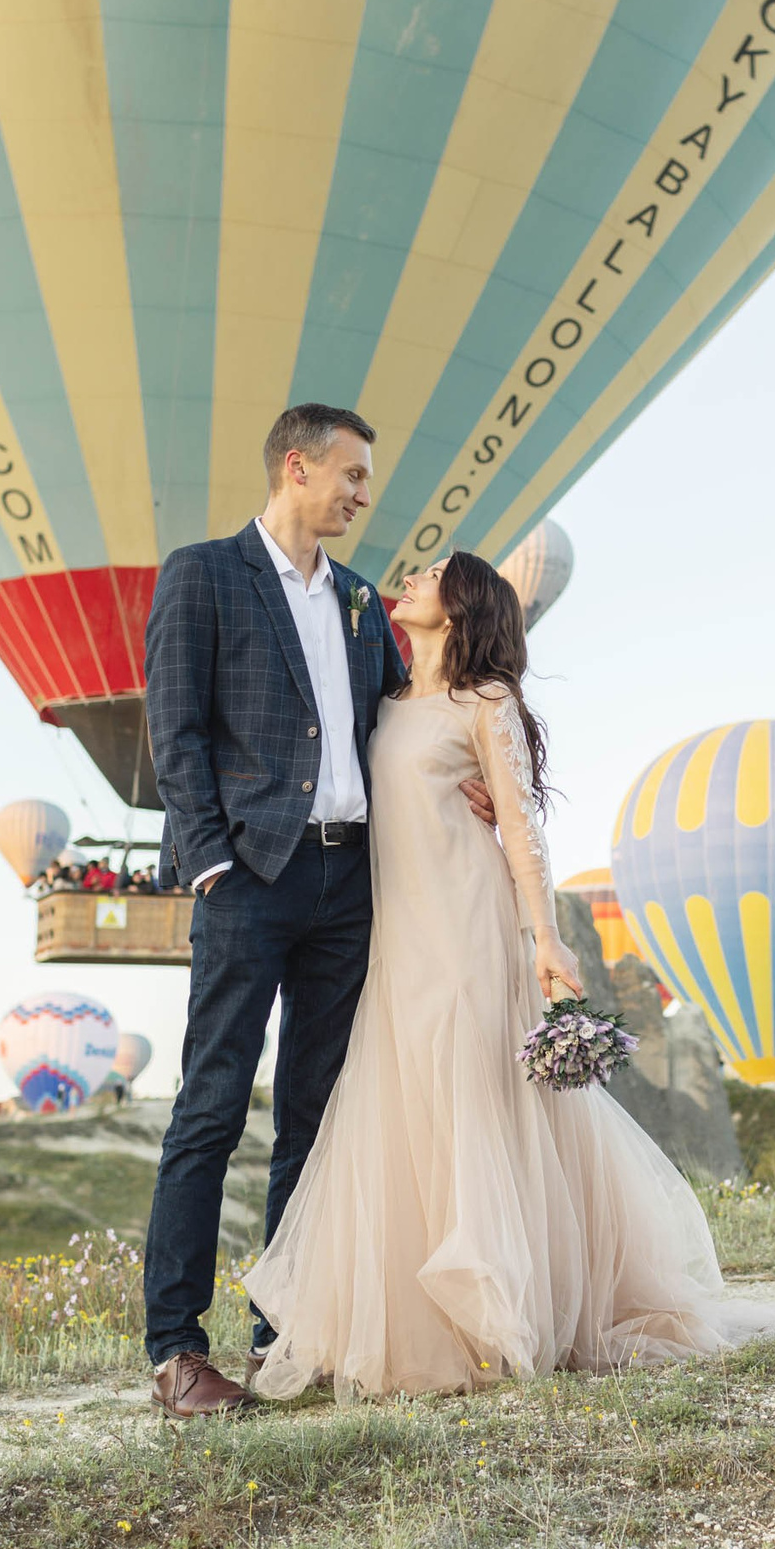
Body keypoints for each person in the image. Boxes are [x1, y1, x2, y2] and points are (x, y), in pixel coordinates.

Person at [239, 553, 775, 1405]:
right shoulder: (385, 702)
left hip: (465, 929)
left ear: (460, 610)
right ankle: (423, 1316)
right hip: (398, 941)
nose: (410, 577)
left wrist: (547, 942)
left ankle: (495, 1315)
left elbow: (521, 833)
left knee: (472, 1107)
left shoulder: (485, 703)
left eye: (431, 575)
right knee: (410, 1108)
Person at [140, 402, 495, 1417]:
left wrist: (472, 768)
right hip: (249, 878)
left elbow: (400, 710)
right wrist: (211, 864)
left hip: (350, 884)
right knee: (209, 1108)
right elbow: (177, 727)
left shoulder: (354, 599)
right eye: (351, 475)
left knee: (317, 1114)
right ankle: (176, 1354)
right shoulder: (202, 574)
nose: (363, 494)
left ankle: (283, 1333)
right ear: (296, 466)